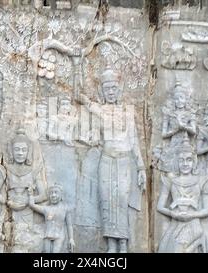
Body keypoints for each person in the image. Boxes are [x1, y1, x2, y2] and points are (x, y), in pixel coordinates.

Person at [77, 67, 146, 253]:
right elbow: (79, 96)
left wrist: (141, 168)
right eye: (107, 88)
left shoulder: (127, 112)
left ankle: (123, 243)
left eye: (114, 88)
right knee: (107, 201)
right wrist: (78, 66)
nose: (110, 92)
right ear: (102, 91)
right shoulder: (100, 110)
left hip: (124, 162)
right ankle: (110, 245)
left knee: (121, 201)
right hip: (106, 161)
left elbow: (134, 142)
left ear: (120, 89)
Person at [157, 135, 208, 253]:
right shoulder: (170, 180)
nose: (185, 164)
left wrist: (191, 215)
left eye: (189, 159)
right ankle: (197, 243)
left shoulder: (202, 180)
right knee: (163, 249)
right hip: (175, 223)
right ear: (176, 162)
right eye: (181, 160)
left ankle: (197, 241)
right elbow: (160, 206)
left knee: (178, 248)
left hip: (193, 224)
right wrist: (174, 214)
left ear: (194, 161)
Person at [28, 185, 75, 253]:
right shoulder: (46, 209)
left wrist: (71, 239)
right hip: (47, 236)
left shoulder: (65, 209)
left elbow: (69, 225)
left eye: (56, 192)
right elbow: (32, 205)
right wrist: (30, 194)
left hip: (59, 236)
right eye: (51, 193)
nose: (53, 195)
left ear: (61, 195)